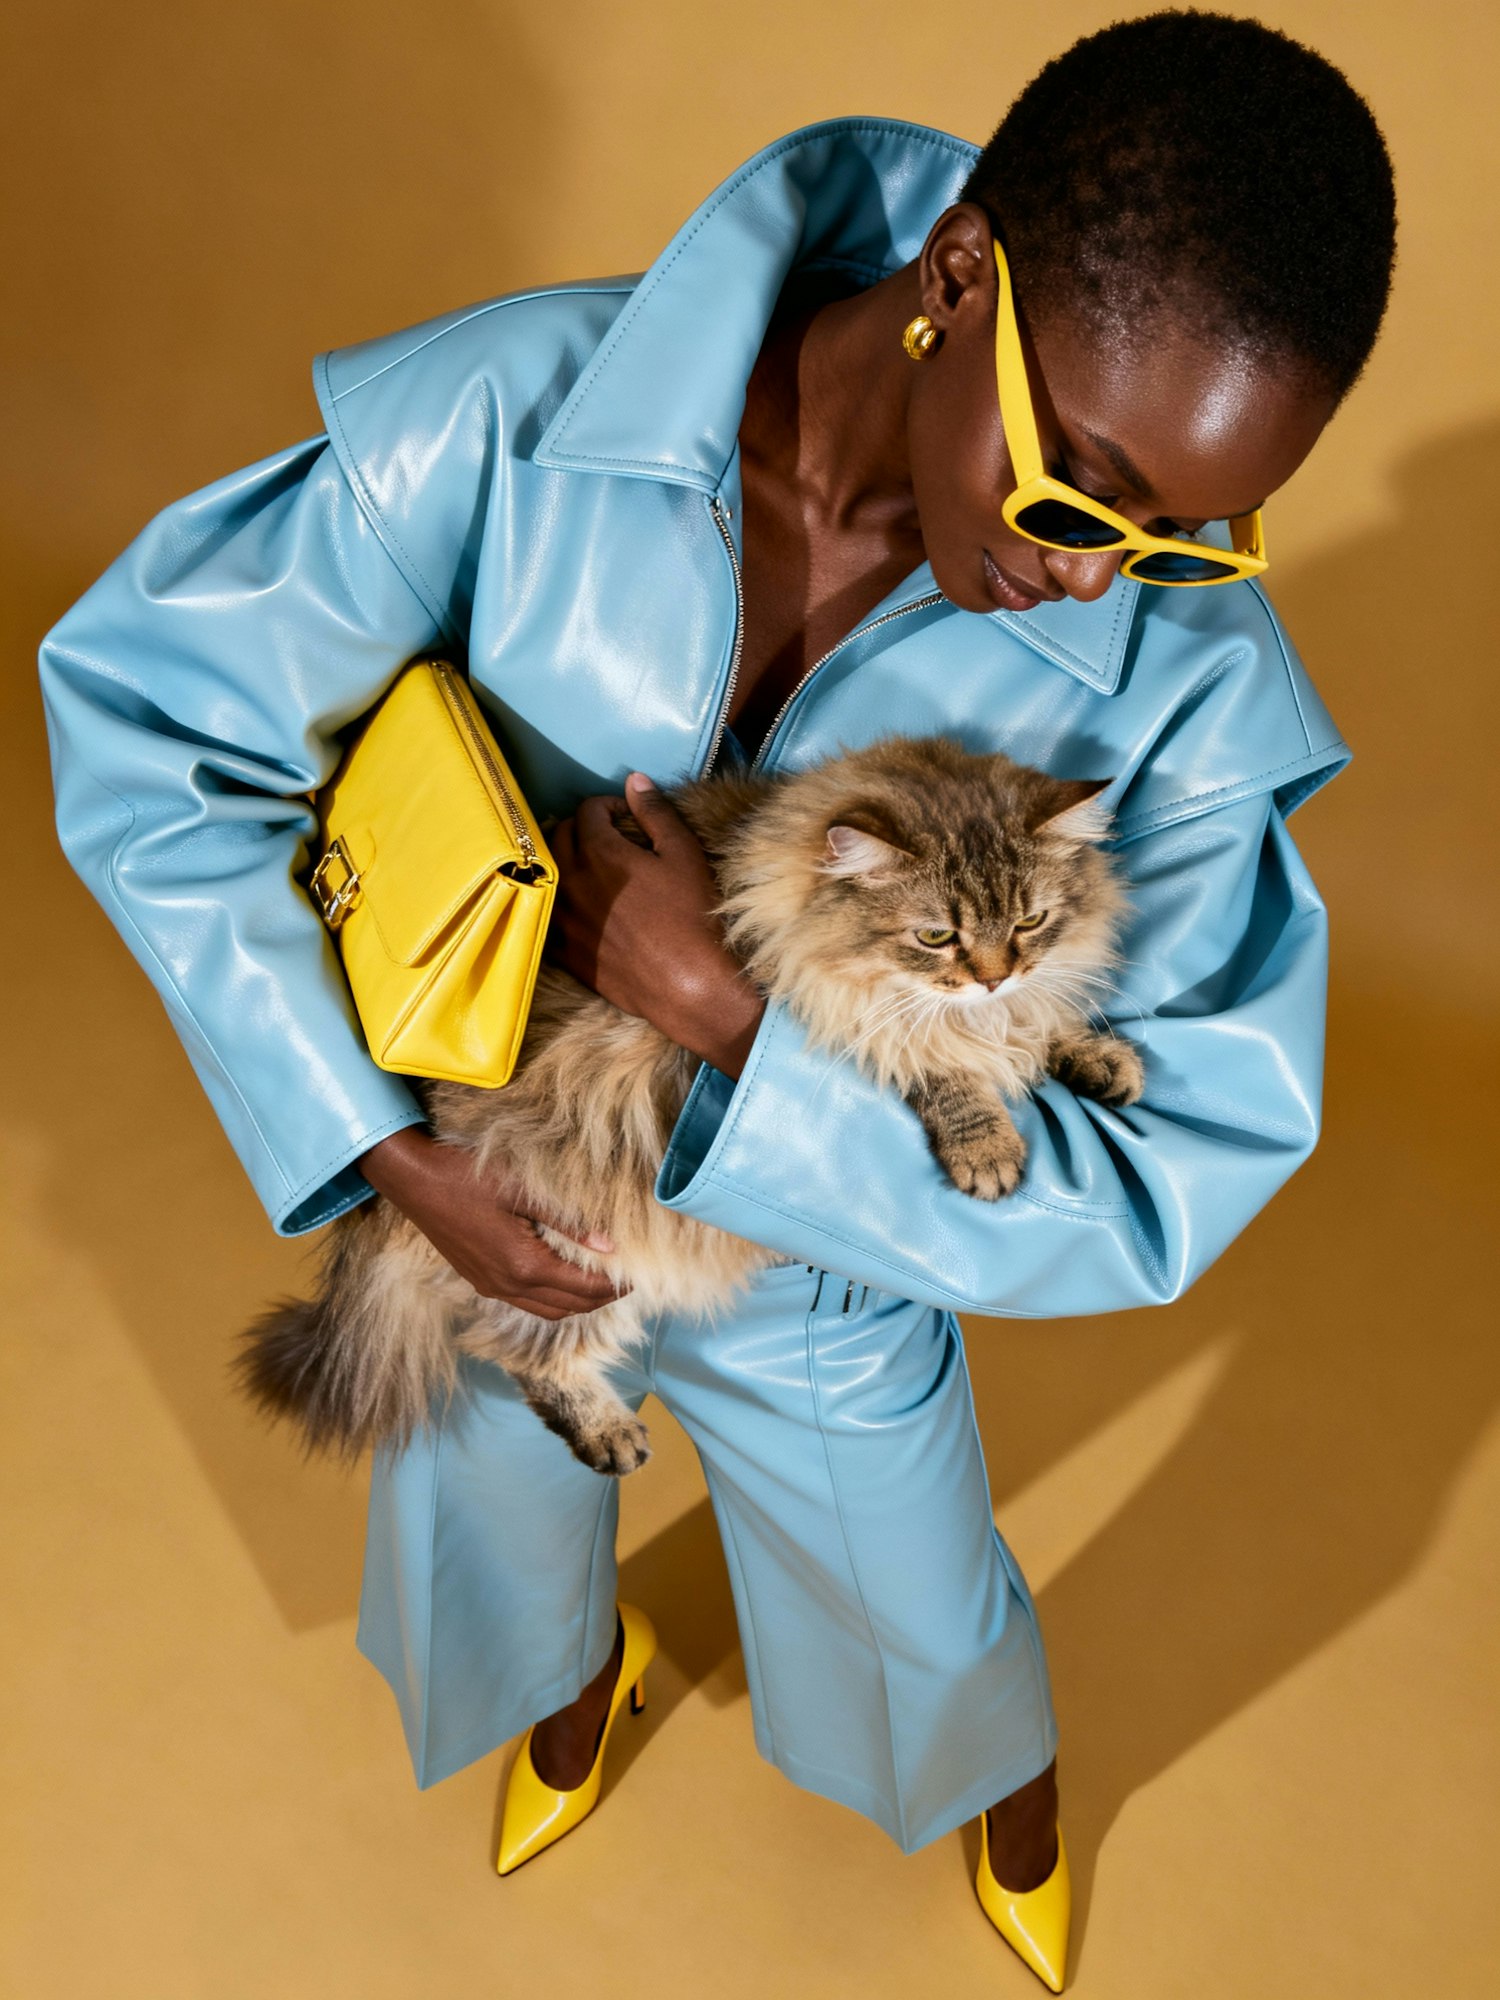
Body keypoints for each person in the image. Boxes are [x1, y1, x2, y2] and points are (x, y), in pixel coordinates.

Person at [37, 12, 1395, 1989]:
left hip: (838, 1269)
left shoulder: (1191, 689)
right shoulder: (513, 406)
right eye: (1088, 494)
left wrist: (740, 1025)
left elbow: (1166, 1162)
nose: (1110, 584)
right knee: (485, 1525)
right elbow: (158, 723)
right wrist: (388, 1158)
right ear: (958, 275)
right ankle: (561, 1690)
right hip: (481, 1181)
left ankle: (1000, 1791)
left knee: (922, 1621)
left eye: (1191, 536)